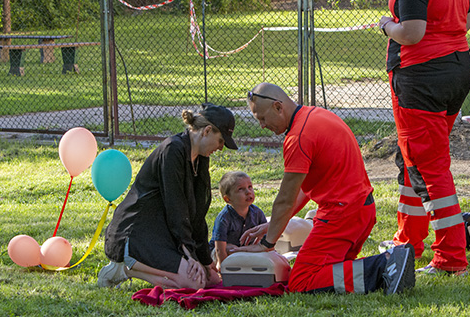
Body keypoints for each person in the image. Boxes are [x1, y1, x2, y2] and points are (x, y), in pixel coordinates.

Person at [235, 83, 415, 295]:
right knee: (329, 273)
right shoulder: (316, 115)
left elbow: (285, 199)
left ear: (278, 107)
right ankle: (387, 265)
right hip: (361, 211)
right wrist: (275, 224)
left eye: (262, 119)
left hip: (340, 217)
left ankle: (385, 265)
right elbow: (300, 190)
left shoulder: (297, 137)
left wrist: (267, 243)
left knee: (301, 281)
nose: (262, 126)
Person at [378, 0, 470, 276]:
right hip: (456, 71)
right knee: (412, 160)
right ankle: (408, 240)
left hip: (421, 78)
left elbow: (412, 32)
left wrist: (386, 26)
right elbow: (463, 23)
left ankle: (451, 257)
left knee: (430, 167)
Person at [97, 104, 238, 289]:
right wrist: (189, 255)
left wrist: (203, 259)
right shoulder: (173, 149)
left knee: (209, 279)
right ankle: (123, 269)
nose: (220, 148)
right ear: (207, 131)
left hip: (163, 232)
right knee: (194, 283)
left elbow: (196, 213)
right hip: (136, 232)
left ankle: (153, 269)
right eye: (221, 141)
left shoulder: (201, 157)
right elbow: (176, 207)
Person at [209, 171, 267, 269]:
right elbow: (219, 246)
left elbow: (265, 235)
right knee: (230, 248)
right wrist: (221, 264)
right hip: (223, 251)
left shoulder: (257, 213)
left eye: (250, 187)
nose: (248, 192)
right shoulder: (224, 217)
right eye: (241, 189)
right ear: (227, 199)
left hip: (245, 250)